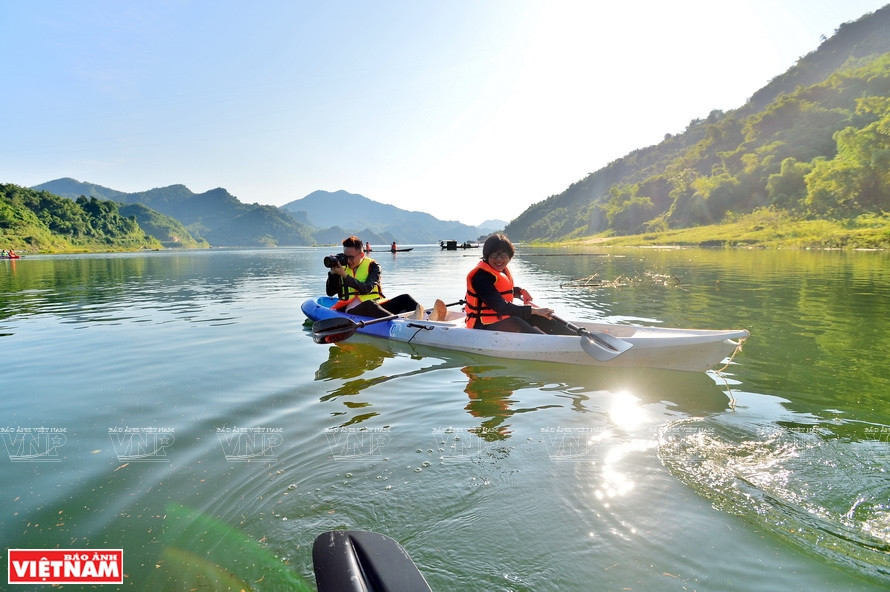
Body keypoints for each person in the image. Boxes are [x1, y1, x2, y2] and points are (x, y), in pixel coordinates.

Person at [464, 234, 574, 335]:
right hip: (481, 326)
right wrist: (535, 310)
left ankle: (574, 337)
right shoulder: (480, 277)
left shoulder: (500, 270)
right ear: (486, 256)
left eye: (503, 255)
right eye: (494, 255)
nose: (498, 259)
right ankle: (553, 345)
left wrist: (519, 291)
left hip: (500, 318)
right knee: (516, 321)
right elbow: (501, 306)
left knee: (538, 317)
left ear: (509, 256)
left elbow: (500, 292)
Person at [326, 235, 423, 319]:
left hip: (377, 305)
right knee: (369, 305)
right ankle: (398, 322)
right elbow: (330, 292)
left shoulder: (374, 266)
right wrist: (332, 273)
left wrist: (345, 276)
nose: (348, 261)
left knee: (405, 298)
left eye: (351, 257)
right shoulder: (341, 268)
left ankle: (427, 318)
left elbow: (367, 288)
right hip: (351, 310)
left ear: (362, 255)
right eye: (345, 257)